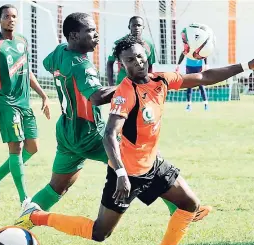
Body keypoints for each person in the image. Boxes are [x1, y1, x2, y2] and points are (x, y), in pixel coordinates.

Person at [16, 36, 254, 245]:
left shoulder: (161, 79)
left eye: (139, 56)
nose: (137, 62)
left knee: (190, 204)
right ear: (122, 65)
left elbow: (203, 76)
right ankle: (36, 217)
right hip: (128, 173)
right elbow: (109, 135)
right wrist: (121, 174)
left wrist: (246, 66)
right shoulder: (126, 91)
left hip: (153, 164)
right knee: (100, 232)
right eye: (130, 60)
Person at [14, 13, 205, 219]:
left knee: (57, 186)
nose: (96, 35)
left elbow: (46, 63)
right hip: (90, 132)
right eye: (90, 31)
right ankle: (181, 210)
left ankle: (23, 220)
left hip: (66, 130)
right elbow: (96, 97)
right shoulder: (82, 65)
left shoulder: (60, 51)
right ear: (74, 36)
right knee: (146, 160)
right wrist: (133, 85)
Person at [0, 4, 50, 206]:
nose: (11, 19)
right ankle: (25, 200)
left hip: (24, 102)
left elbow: (27, 71)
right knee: (17, 146)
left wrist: (43, 95)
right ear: (0, 20)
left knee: (33, 146)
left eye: (14, 16)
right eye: (6, 16)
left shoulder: (23, 42)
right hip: (5, 102)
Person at [107, 16, 155, 86]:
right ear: (129, 27)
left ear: (143, 27)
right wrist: (111, 84)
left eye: (139, 25)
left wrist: (149, 82)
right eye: (134, 25)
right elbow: (110, 63)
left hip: (141, 84)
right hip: (123, 83)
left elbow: (150, 65)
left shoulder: (149, 45)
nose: (136, 28)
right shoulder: (118, 44)